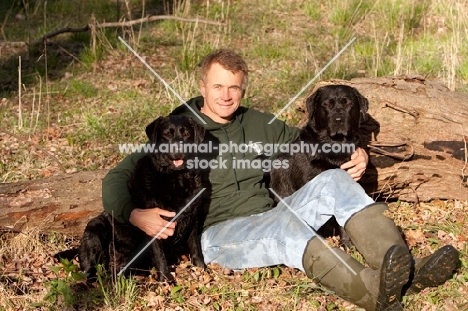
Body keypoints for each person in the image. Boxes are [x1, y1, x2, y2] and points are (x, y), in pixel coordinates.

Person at [102, 49, 459, 310]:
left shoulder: (257, 122)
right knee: (285, 233)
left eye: (235, 88)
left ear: (243, 89)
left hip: (272, 213)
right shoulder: (178, 127)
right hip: (217, 235)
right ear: (202, 86)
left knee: (336, 181)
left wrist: (358, 152)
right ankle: (371, 292)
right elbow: (117, 176)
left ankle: (401, 268)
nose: (226, 95)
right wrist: (134, 214)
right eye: (218, 86)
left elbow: (310, 138)